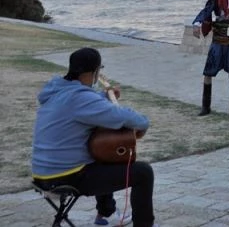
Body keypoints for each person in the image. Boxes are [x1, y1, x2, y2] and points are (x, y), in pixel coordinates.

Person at [32, 48, 157, 227]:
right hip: (66, 177)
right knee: (143, 172)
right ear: (94, 72)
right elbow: (122, 116)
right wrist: (143, 123)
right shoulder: (80, 99)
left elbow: (83, 104)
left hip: (42, 174)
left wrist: (103, 96)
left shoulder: (58, 91)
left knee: (104, 157)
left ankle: (106, 215)